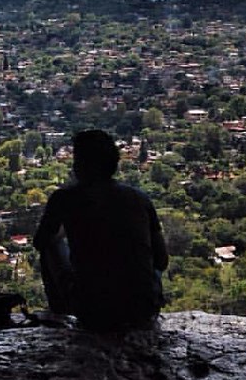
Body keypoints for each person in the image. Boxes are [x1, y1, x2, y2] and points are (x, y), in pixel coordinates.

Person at [33, 129, 169, 331]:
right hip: (143, 308)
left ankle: (59, 311)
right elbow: (161, 261)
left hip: (92, 309)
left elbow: (40, 242)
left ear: (80, 165)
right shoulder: (139, 198)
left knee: (50, 243)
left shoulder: (64, 198)